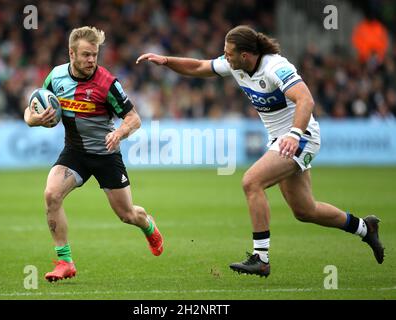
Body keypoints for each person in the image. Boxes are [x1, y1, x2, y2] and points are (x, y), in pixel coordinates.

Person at [136, 25, 384, 277]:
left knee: (251, 181)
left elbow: (306, 100)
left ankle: (261, 258)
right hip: (281, 140)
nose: (225, 57)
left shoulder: (276, 67)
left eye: (228, 53)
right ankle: (365, 228)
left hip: (301, 138)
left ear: (245, 55)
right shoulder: (235, 65)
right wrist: (166, 61)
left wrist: (294, 134)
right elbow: (200, 66)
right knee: (304, 210)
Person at [24, 26, 164, 282]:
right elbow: (30, 108)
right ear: (71, 53)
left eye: (95, 55)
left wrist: (119, 134)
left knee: (127, 215)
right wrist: (35, 119)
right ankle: (65, 261)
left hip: (106, 154)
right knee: (51, 194)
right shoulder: (55, 77)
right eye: (86, 55)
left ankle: (148, 225)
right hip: (74, 152)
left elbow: (134, 118)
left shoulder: (108, 83)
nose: (91, 60)